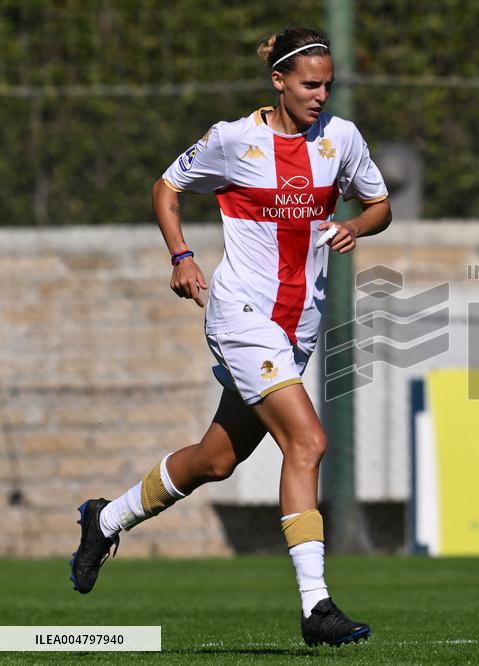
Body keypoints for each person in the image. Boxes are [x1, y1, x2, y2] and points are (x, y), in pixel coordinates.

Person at [69, 27, 391, 648]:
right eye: (309, 85)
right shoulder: (232, 140)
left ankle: (104, 520)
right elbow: (165, 189)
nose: (321, 95)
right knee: (309, 440)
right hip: (242, 315)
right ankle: (315, 605)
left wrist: (357, 225)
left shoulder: (342, 139)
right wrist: (181, 256)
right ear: (278, 82)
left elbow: (379, 204)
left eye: (328, 84)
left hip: (299, 325)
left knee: (216, 460)